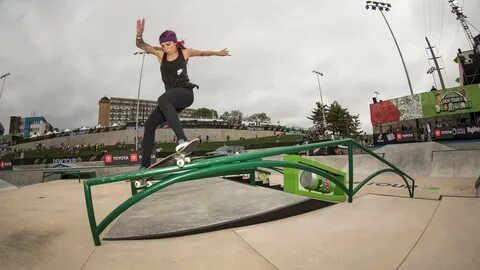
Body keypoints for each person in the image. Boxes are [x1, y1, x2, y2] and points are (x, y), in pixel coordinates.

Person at [135, 18, 230, 169]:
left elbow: (203, 53)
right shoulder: (160, 54)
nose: (166, 48)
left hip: (185, 94)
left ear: (175, 42)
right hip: (171, 101)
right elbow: (141, 45)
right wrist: (139, 34)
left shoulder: (185, 52)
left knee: (163, 99)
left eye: (169, 45)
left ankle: (181, 140)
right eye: (163, 46)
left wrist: (218, 53)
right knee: (149, 124)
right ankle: (144, 166)